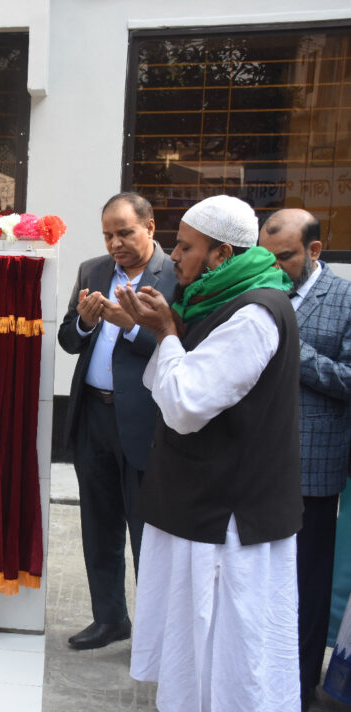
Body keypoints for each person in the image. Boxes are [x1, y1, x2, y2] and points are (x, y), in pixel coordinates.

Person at [117, 194, 302, 712]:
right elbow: (173, 384)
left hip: (228, 520)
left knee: (227, 653)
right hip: (198, 505)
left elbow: (186, 404)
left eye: (186, 246)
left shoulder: (254, 314)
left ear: (222, 254)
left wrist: (165, 332)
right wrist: (164, 330)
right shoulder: (215, 301)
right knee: (194, 649)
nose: (174, 256)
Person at [56, 192, 177, 650]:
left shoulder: (176, 275)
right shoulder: (93, 271)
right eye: (108, 235)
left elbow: (179, 345)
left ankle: (154, 635)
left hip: (146, 422)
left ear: (150, 227)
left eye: (124, 233)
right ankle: (109, 619)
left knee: (148, 533)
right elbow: (69, 339)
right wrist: (84, 324)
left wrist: (130, 325)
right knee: (98, 524)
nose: (115, 244)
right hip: (92, 415)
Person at [259, 208, 351, 710]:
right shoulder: (257, 292)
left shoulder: (345, 298)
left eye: (285, 257)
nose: (273, 267)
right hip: (256, 462)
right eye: (266, 256)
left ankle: (296, 687)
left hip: (313, 467)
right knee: (260, 580)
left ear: (314, 251)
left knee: (306, 582)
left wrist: (294, 349)